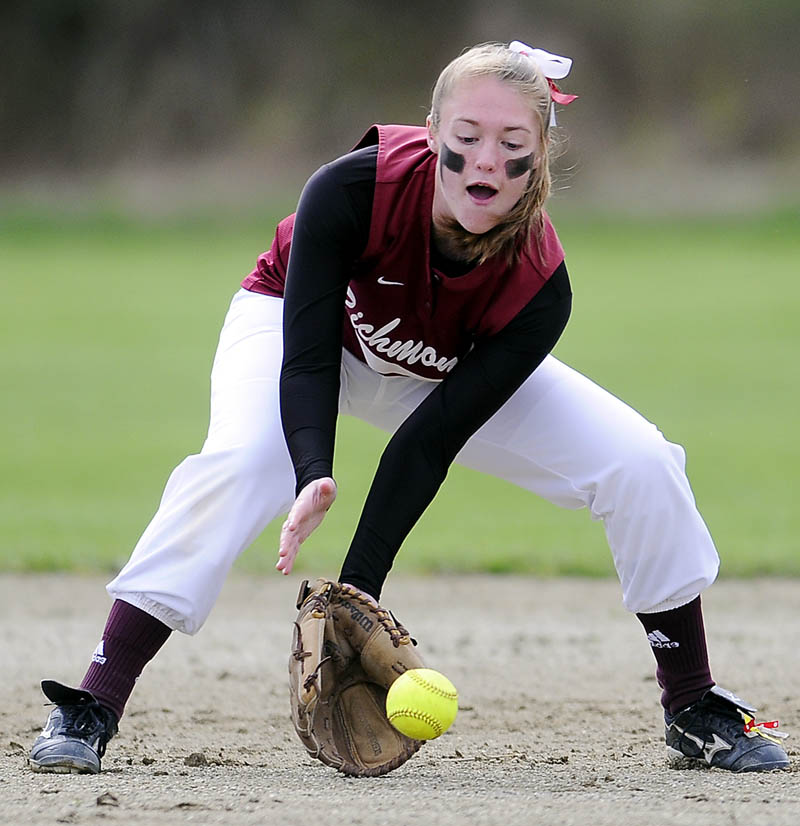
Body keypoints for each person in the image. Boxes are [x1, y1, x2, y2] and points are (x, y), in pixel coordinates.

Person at [30, 41, 788, 776]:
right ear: (431, 135)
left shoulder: (538, 287)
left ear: (540, 155)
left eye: (512, 141)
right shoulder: (350, 191)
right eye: (467, 136)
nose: (487, 159)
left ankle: (692, 703)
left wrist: (355, 594)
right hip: (305, 332)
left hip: (439, 375)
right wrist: (312, 471)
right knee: (242, 463)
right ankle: (93, 702)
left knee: (640, 462)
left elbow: (429, 443)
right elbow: (310, 359)